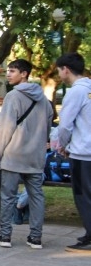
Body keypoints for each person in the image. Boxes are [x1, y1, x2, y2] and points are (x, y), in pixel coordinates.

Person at [0, 59, 52, 249]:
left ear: (24, 73)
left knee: (8, 196)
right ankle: (36, 237)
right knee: (36, 196)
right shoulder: (43, 99)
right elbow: (48, 126)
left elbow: (4, 130)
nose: (8, 74)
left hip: (13, 154)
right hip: (35, 155)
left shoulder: (13, 96)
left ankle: (5, 236)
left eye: (12, 71)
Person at [49, 52, 91, 252]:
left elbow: (65, 126)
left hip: (83, 153)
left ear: (65, 69)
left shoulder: (75, 92)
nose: (59, 74)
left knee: (83, 196)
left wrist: (62, 145)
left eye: (59, 70)